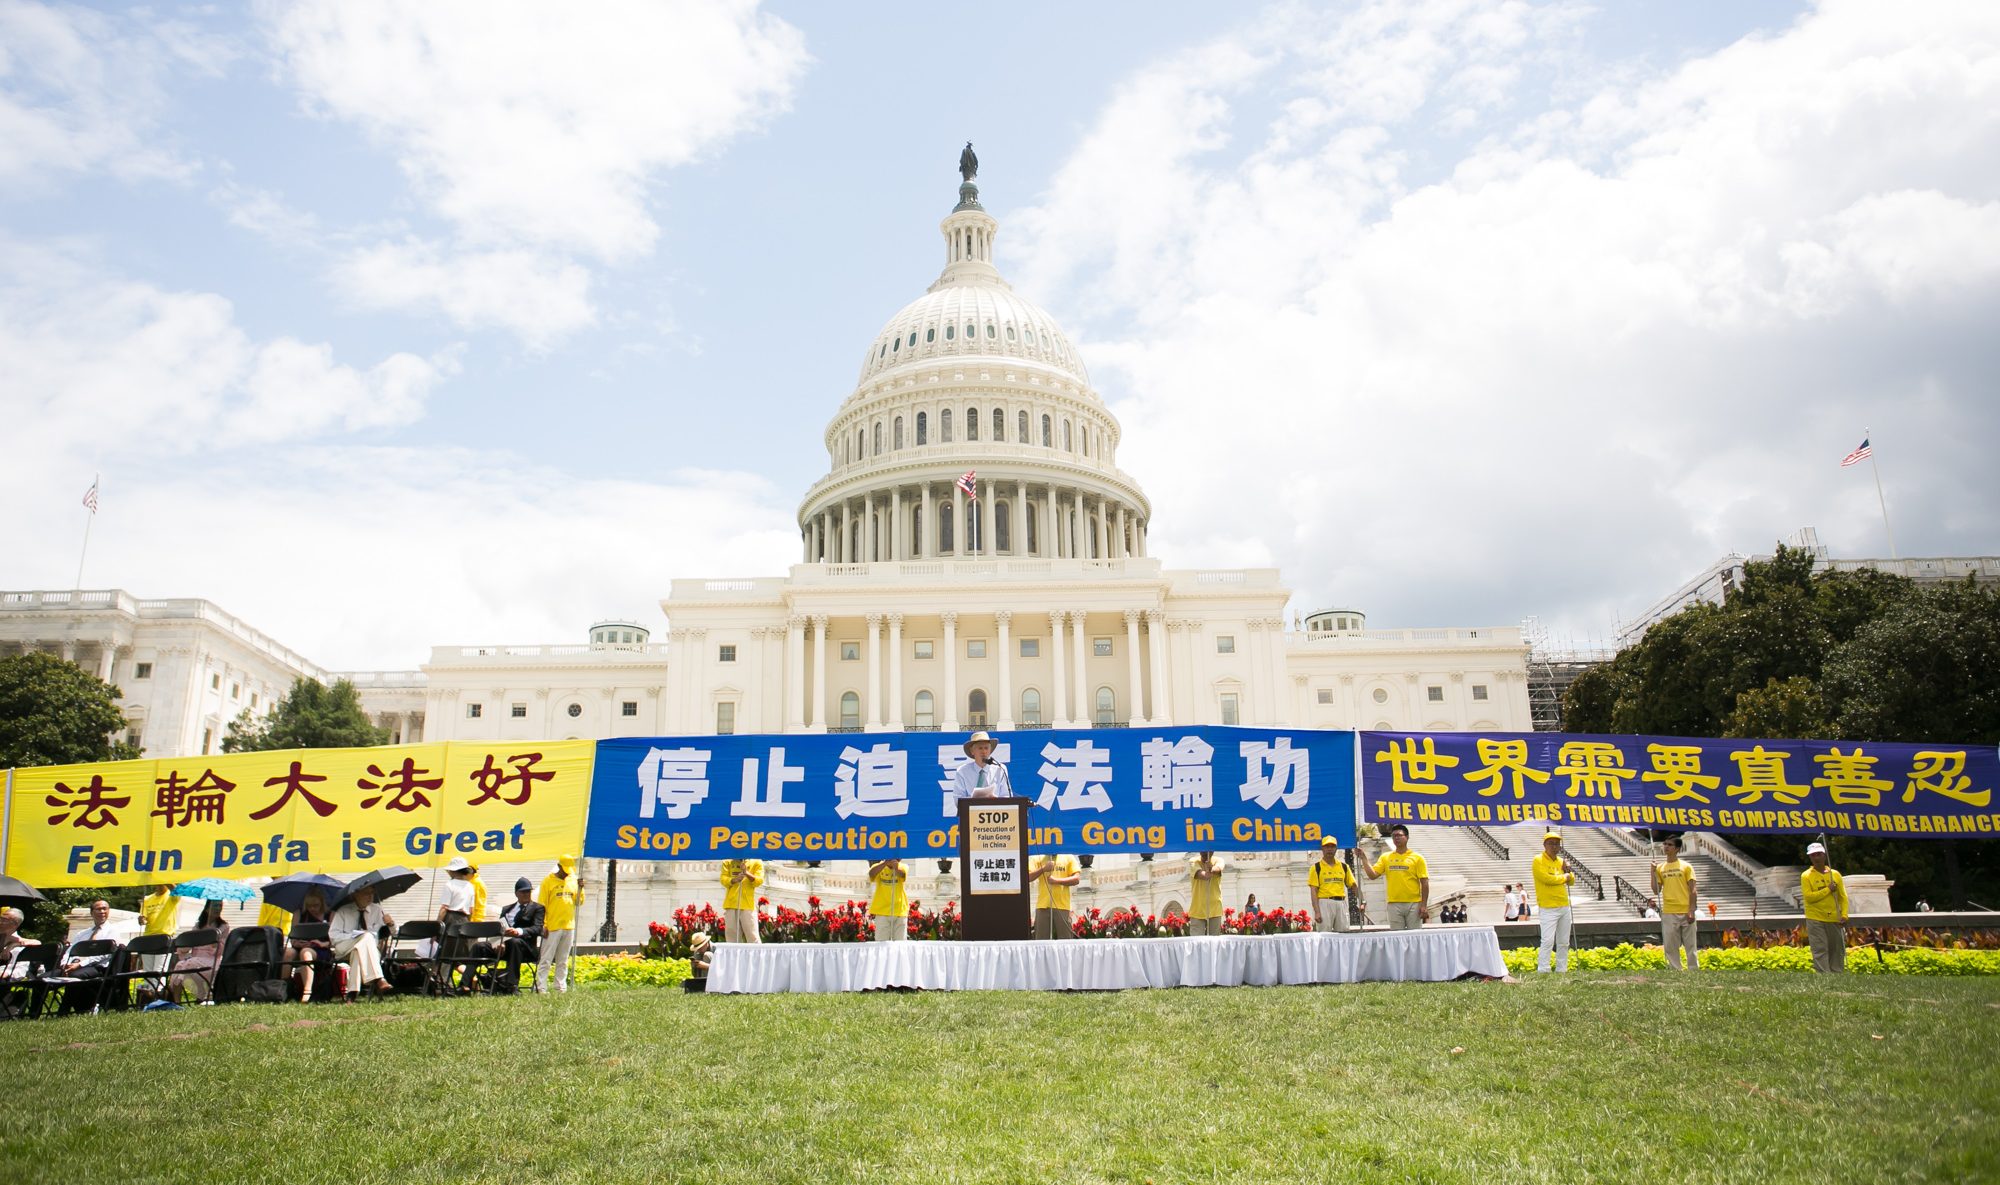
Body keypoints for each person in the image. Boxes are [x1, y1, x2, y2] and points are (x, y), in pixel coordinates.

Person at [329, 885, 394, 999]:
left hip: (369, 950)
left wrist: (391, 924)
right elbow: (333, 936)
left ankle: (352, 994)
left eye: (372, 893)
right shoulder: (344, 911)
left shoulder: (377, 910)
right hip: (344, 947)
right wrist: (355, 935)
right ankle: (379, 978)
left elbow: (393, 933)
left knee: (358, 950)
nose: (370, 897)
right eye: (366, 893)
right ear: (355, 895)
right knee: (367, 936)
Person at [1362, 824, 1429, 930]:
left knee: (1414, 936)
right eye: (1393, 836)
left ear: (1407, 837)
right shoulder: (1386, 857)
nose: (1396, 838)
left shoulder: (1417, 858)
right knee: (1397, 937)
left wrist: (1424, 905)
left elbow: (1424, 883)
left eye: (1399, 835)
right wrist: (1364, 859)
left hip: (1414, 903)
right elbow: (1372, 875)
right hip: (1394, 903)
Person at [58, 899, 118, 1014]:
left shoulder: (113, 931)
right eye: (98, 909)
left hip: (98, 967)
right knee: (43, 979)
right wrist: (65, 964)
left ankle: (63, 1011)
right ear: (92, 912)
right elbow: (70, 950)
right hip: (74, 965)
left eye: (105, 909)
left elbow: (104, 954)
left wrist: (80, 965)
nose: (102, 912)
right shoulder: (82, 934)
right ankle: (34, 1013)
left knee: (75, 975)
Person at [536, 854, 585, 992]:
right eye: (564, 870)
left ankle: (560, 987)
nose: (566, 873)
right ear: (558, 866)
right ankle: (541, 987)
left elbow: (578, 902)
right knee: (546, 959)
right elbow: (541, 905)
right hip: (552, 926)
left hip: (569, 925)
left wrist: (581, 890)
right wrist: (543, 924)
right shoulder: (548, 881)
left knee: (563, 960)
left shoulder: (573, 879)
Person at [1652, 835, 1699, 971]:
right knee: (1671, 945)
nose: (1666, 847)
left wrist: (1691, 910)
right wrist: (1652, 872)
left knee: (1690, 945)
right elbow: (1656, 890)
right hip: (1669, 910)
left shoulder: (1686, 867)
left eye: (1670, 845)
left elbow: (1693, 889)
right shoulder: (1660, 868)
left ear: (1677, 849)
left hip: (1685, 909)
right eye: (1665, 844)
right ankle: (1675, 970)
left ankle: (1693, 969)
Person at [1530, 832, 1576, 974]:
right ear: (1544, 845)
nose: (1554, 846)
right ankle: (1543, 969)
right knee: (1548, 940)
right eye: (1551, 843)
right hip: (1547, 906)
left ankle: (1562, 969)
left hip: (1563, 905)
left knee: (1563, 941)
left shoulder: (1560, 861)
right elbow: (1546, 879)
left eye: (1557, 843)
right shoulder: (1538, 860)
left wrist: (1568, 871)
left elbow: (1572, 881)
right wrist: (1564, 877)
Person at [168, 900, 230, 1003]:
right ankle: (177, 1002)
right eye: (215, 906)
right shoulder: (198, 926)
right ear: (207, 909)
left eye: (220, 906)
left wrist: (217, 945)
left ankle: (201, 995)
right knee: (180, 965)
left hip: (212, 960)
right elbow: (189, 942)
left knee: (189, 964)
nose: (218, 908)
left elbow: (222, 949)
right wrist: (183, 948)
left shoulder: (223, 926)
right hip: (195, 959)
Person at [1801, 841, 1849, 975]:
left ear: (1824, 855)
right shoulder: (1806, 876)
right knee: (1819, 948)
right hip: (1815, 917)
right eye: (1813, 855)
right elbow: (1809, 897)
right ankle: (1823, 975)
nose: (1816, 858)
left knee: (1837, 948)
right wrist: (1828, 889)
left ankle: (1837, 973)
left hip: (1834, 917)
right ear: (1810, 858)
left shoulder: (1835, 875)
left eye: (1819, 854)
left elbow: (1843, 897)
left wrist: (1844, 915)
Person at [493, 877, 544, 991]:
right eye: (523, 891)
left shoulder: (537, 908)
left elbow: (537, 928)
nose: (526, 894)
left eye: (528, 891)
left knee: (514, 942)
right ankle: (466, 984)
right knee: (480, 946)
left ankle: (511, 985)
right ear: (516, 893)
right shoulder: (506, 909)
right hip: (505, 946)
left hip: (526, 948)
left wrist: (519, 931)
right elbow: (501, 927)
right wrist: (500, 942)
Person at [436, 856, 476, 983]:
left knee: (446, 955)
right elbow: (471, 910)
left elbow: (444, 908)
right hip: (465, 920)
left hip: (450, 919)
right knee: (460, 955)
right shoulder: (470, 886)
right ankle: (471, 978)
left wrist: (437, 925)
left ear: (453, 871)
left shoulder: (449, 885)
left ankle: (442, 983)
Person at [289, 889, 333, 1002]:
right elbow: (292, 937)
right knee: (288, 953)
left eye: (316, 905)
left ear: (322, 903)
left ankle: (307, 991)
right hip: (301, 945)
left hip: (321, 948)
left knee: (306, 953)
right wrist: (296, 943)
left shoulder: (331, 914)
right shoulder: (299, 914)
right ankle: (285, 987)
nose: (312, 909)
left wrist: (323, 944)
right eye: (309, 906)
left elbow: (335, 938)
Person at [1307, 838, 1356, 932]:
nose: (1329, 849)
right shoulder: (1316, 868)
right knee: (1324, 935)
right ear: (1322, 848)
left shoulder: (1344, 866)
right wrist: (1317, 912)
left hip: (1341, 903)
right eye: (1327, 846)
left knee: (1344, 934)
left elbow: (1354, 885)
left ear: (1336, 848)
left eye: (1332, 846)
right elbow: (1314, 891)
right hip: (1324, 903)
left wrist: (1362, 901)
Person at [1029, 852, 1081, 939]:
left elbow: (1076, 879)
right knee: (1041, 940)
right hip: (1043, 905)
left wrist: (1056, 881)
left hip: (1063, 906)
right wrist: (1043, 868)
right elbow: (1028, 877)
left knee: (1065, 940)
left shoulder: (1068, 856)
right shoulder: (1037, 857)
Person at [950, 731, 1012, 801]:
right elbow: (958, 798)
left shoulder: (1000, 769)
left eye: (986, 748)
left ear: (990, 750)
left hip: (995, 810)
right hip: (970, 811)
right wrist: (974, 800)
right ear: (972, 751)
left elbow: (1007, 796)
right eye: (980, 748)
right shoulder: (962, 771)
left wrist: (994, 800)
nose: (984, 752)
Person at [719, 857, 764, 944]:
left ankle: (757, 957)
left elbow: (759, 881)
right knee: (731, 939)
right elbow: (723, 879)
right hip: (731, 904)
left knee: (753, 936)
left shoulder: (757, 862)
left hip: (748, 905)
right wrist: (734, 880)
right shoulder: (727, 861)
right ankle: (732, 957)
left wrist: (746, 873)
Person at [139, 883, 179, 975]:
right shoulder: (147, 899)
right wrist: (142, 920)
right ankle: (149, 989)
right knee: (147, 971)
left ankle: (158, 989)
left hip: (164, 938)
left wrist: (164, 876)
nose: (160, 884)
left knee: (159, 970)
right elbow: (144, 920)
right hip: (148, 938)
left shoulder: (171, 895)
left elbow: (176, 890)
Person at [867, 857, 909, 940]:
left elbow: (902, 874)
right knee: (881, 942)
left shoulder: (903, 866)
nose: (898, 859)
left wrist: (896, 867)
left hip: (899, 910)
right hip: (882, 911)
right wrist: (884, 863)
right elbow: (871, 874)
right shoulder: (878, 866)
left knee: (900, 943)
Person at [1186, 852, 1225, 936]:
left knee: (1215, 943)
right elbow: (1204, 876)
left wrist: (1212, 868)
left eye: (1208, 850)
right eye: (1202, 850)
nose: (1205, 852)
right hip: (1197, 909)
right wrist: (1210, 870)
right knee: (1196, 943)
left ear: (1212, 851)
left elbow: (1218, 868)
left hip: (1215, 908)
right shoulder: (1193, 861)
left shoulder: (1219, 860)